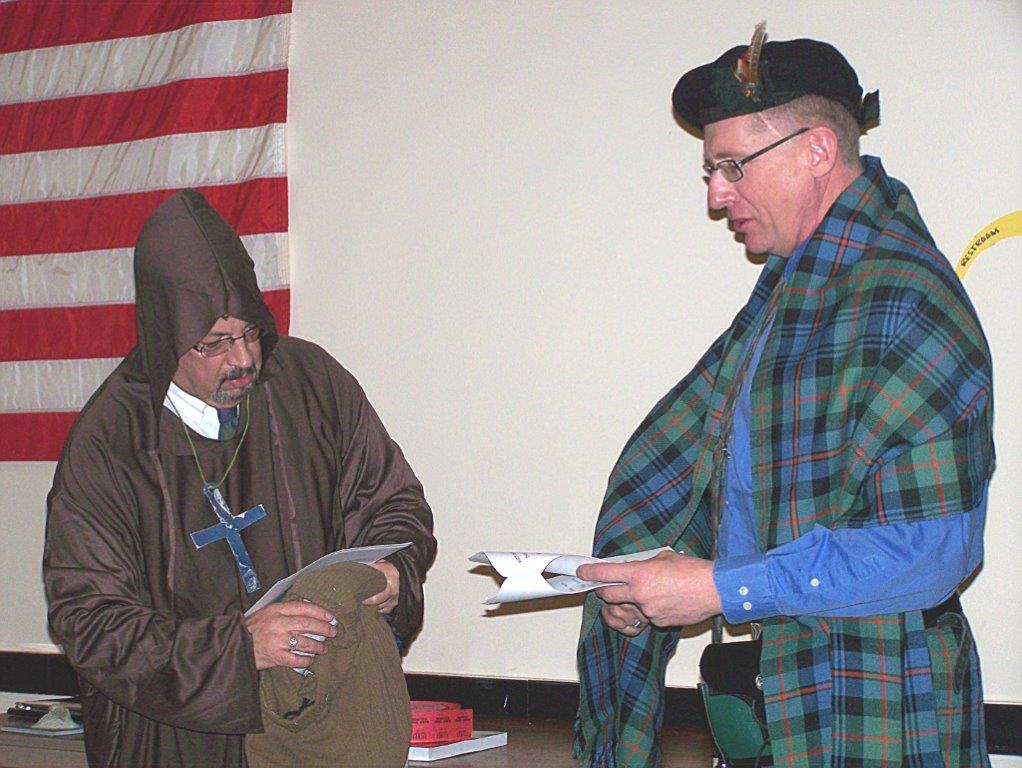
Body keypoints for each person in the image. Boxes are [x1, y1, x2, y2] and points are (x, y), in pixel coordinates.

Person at [574, 27, 994, 768]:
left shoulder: (906, 298)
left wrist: (718, 588)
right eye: (711, 171)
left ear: (818, 150)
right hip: (788, 694)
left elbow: (932, 552)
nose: (716, 195)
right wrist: (654, 580)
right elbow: (735, 488)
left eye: (733, 166)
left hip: (882, 703)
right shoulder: (791, 296)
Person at [43, 189, 437, 767]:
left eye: (250, 332)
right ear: (166, 336)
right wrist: (237, 648)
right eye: (213, 344)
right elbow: (90, 619)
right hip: (176, 738)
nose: (243, 359)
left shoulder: (310, 383)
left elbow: (394, 503)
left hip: (321, 717)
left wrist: (394, 571)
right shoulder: (108, 441)